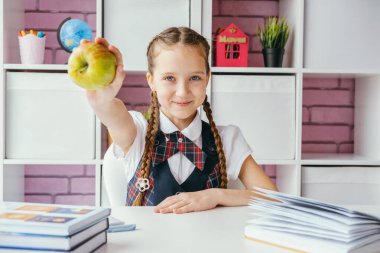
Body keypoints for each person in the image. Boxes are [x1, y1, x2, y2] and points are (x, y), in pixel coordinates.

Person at [85, 27, 277, 214]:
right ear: (151, 81)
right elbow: (111, 113)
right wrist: (102, 99)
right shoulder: (137, 131)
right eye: (169, 78)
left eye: (194, 77)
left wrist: (216, 196)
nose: (183, 92)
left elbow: (274, 198)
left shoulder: (228, 138)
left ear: (207, 79)